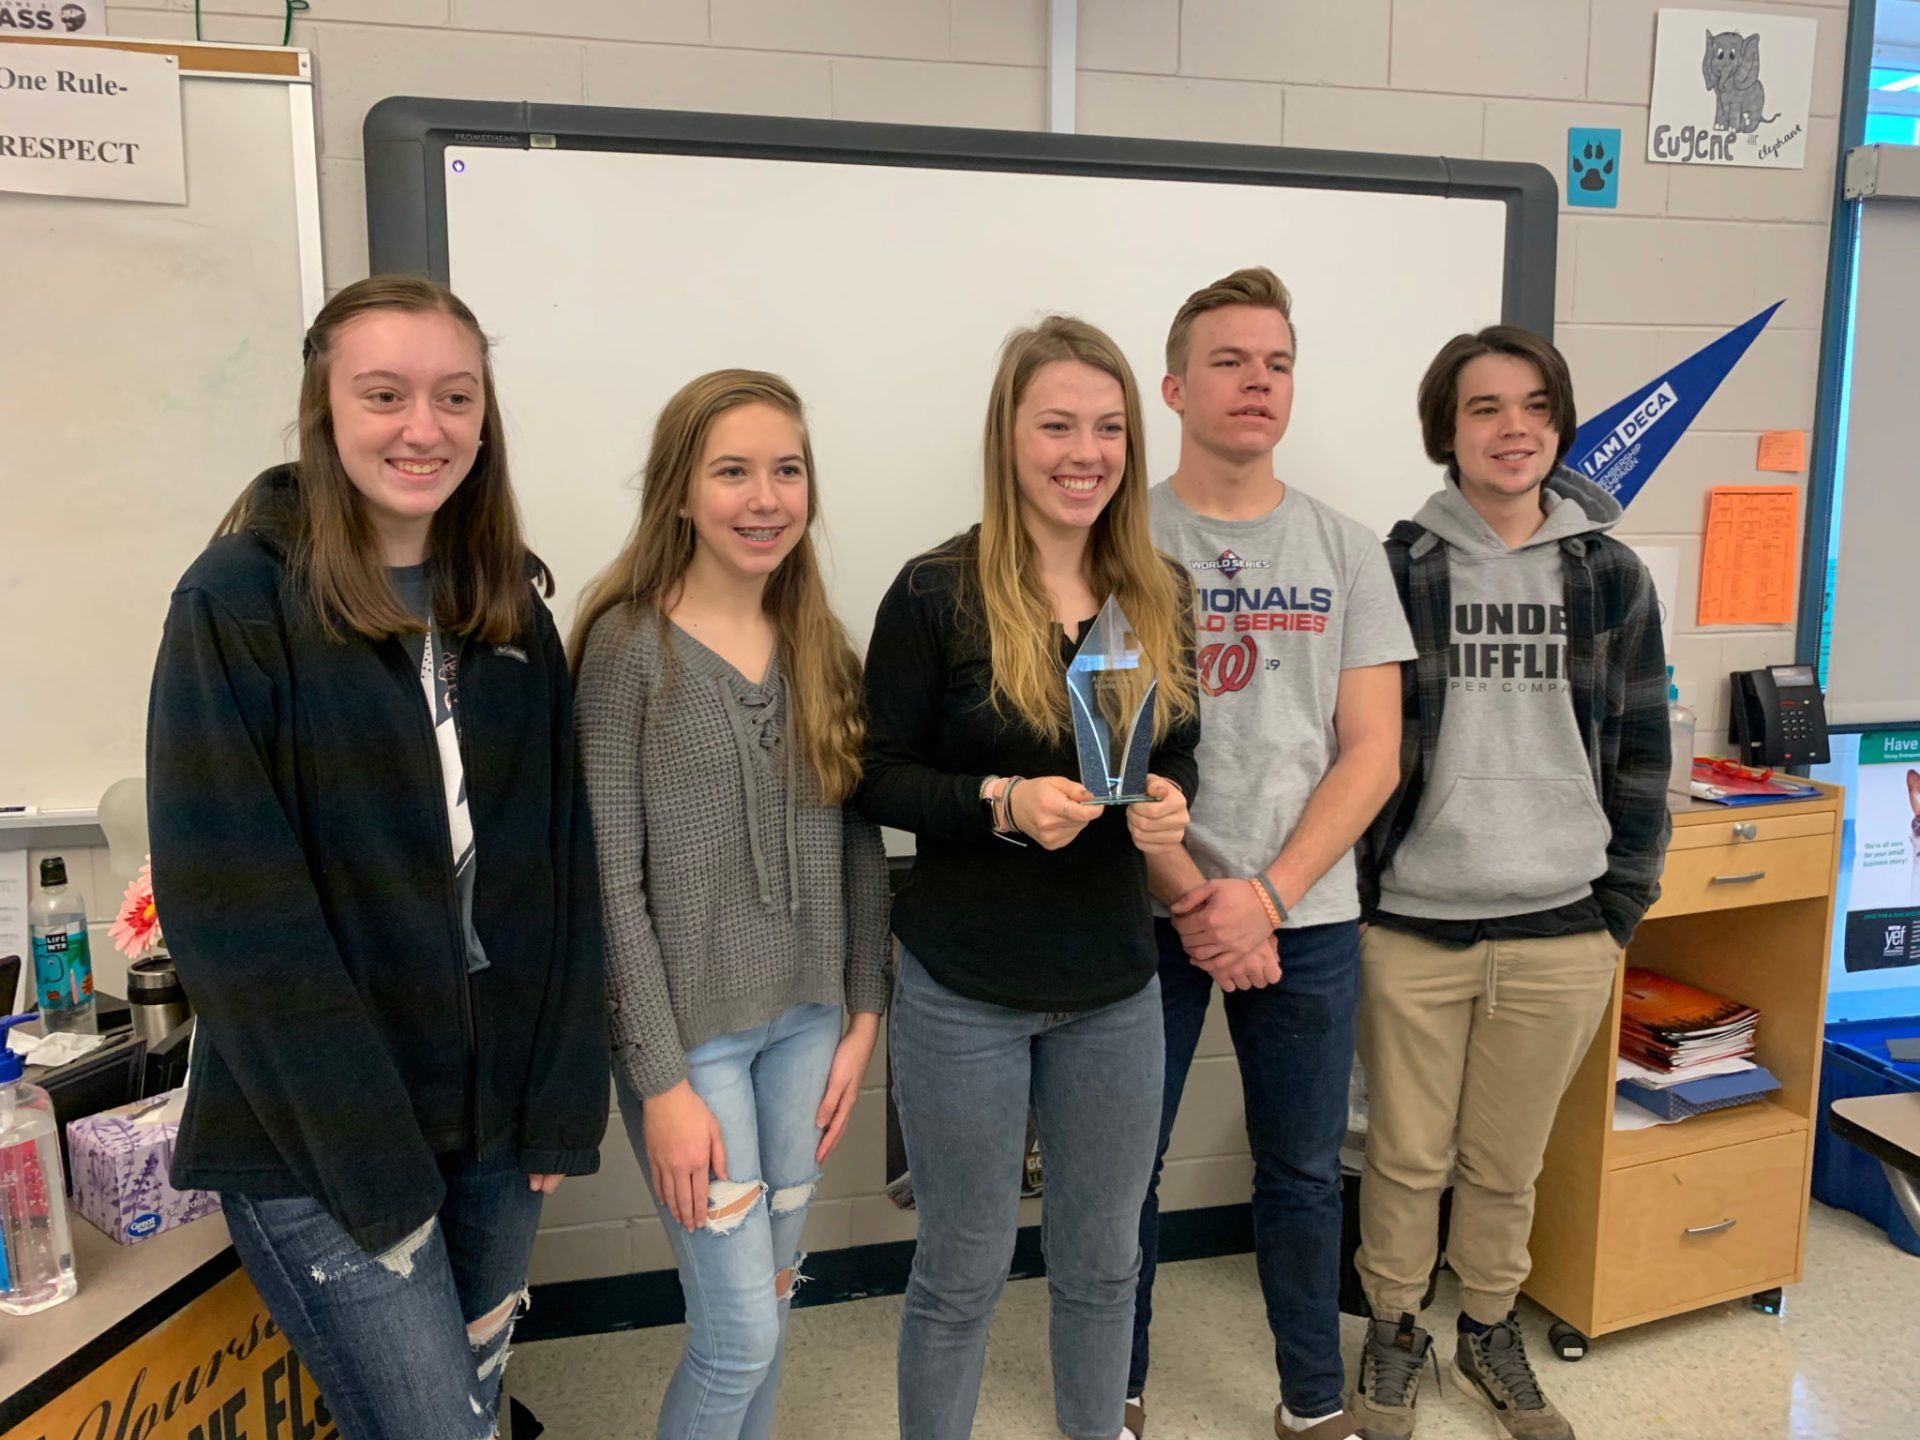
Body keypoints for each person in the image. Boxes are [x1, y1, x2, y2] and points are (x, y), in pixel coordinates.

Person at [148, 274, 609, 1440]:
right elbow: (233, 914)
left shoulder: (506, 606)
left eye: (456, 397)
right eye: (386, 394)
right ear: (325, 407)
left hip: (494, 1124)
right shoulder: (239, 602)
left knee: (479, 1401)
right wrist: (376, 1173)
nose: (425, 427)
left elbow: (559, 867)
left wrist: (559, 1095)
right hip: (321, 1140)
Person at [858, 315, 1198, 1440]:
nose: (1083, 452)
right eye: (1056, 424)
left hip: (1114, 987)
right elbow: (875, 778)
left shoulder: (1158, 592)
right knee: (961, 1272)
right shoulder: (933, 593)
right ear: (1009, 435)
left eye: (1107, 428)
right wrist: (999, 801)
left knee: (1105, 1266)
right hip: (965, 990)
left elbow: (1176, 752)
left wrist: (1170, 810)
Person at [1350, 326, 1670, 1440]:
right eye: (1485, 407)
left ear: (1560, 424)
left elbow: (1641, 752)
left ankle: (1489, 1326)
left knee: (1506, 1162)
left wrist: (1618, 907)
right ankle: (1396, 1330)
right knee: (1402, 1154)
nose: (1513, 428)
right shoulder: (1395, 570)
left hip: (1562, 926)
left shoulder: (1610, 574)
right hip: (1415, 925)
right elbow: (1354, 748)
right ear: (1448, 429)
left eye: (1535, 406)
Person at [572, 370, 891, 1439]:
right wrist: (659, 1083)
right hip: (693, 1050)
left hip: (806, 1027)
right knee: (738, 1336)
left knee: (773, 1303)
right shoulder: (627, 654)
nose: (765, 498)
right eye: (733, 471)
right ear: (679, 493)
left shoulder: (821, 646)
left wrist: (863, 1016)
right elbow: (608, 886)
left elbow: (856, 841)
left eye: (787, 470)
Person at [1124, 267, 1411, 1440]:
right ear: (1176, 384)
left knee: (1300, 1172)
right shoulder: (1118, 537)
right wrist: (1201, 900)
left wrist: (1268, 896)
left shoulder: (1347, 549)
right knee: (1119, 1174)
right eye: (1231, 361)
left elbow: (1372, 751)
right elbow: (1104, 742)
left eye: (1278, 363)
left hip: (1308, 916)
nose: (1257, 383)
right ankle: (1115, 1385)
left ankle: (1311, 1399)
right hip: (1145, 908)